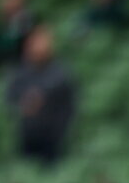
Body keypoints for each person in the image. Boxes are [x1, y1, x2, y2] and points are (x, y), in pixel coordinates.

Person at [5, 24, 76, 164]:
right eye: (35, 43)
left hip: (53, 140)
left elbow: (69, 106)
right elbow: (10, 97)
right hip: (26, 137)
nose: (38, 47)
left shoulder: (61, 73)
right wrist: (23, 103)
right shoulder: (20, 72)